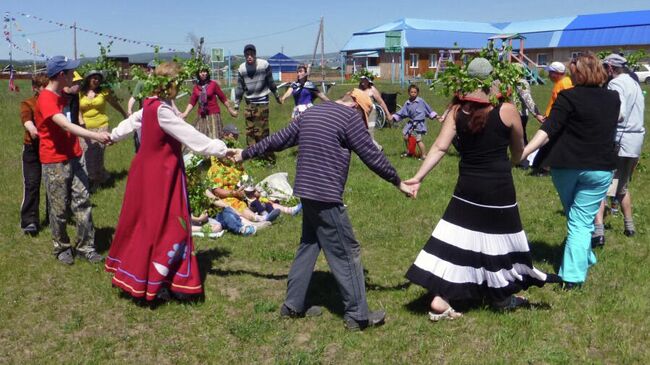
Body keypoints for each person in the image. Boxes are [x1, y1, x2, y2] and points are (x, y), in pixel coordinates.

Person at [233, 88, 413, 330]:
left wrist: (245, 152)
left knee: (309, 245)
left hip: (306, 192)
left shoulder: (312, 113)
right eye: (364, 117)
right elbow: (372, 155)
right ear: (357, 107)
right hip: (325, 195)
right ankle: (358, 315)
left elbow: (278, 139)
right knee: (347, 251)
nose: (362, 123)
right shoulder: (350, 119)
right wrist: (398, 182)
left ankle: (292, 305)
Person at [404, 57, 554, 321]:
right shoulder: (507, 110)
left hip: (467, 188)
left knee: (460, 240)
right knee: (501, 241)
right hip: (499, 189)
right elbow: (517, 155)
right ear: (494, 80)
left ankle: (442, 297)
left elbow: (439, 147)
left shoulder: (456, 111)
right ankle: (502, 296)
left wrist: (418, 177)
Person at [105, 61, 231, 301]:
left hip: (144, 173)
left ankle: (144, 274)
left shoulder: (150, 105)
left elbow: (130, 123)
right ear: (170, 85)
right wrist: (222, 149)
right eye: (177, 82)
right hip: (161, 176)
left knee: (146, 223)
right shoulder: (162, 110)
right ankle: (166, 281)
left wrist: (113, 136)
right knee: (170, 225)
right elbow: (193, 138)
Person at [521, 53, 620, 289]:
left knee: (577, 220)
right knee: (580, 220)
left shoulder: (568, 97)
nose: (570, 75)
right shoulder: (613, 98)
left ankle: (573, 278)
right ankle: (585, 256)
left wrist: (523, 152)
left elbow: (549, 129)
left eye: (573, 72)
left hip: (567, 167)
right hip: (601, 168)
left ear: (581, 73)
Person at [35, 55, 111, 265]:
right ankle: (62, 247)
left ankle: (86, 246)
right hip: (54, 160)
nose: (74, 75)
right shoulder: (46, 98)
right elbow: (66, 125)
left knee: (83, 201)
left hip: (75, 156)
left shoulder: (63, 95)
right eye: (70, 72)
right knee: (59, 207)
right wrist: (96, 136)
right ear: (61, 75)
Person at [592, 53, 646, 246]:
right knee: (621, 185)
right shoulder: (634, 83)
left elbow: (619, 113)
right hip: (636, 139)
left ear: (610, 68)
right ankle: (629, 226)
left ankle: (598, 231)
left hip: (619, 139)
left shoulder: (616, 84)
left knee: (600, 185)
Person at [78, 70, 128, 187]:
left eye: (98, 79)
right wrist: (80, 121)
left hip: (101, 125)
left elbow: (114, 103)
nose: (96, 81)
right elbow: (77, 108)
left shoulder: (104, 92)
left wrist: (124, 113)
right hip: (85, 127)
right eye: (94, 78)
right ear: (88, 79)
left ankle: (96, 181)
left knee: (98, 154)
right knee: (86, 153)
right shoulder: (80, 93)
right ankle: (96, 176)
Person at [234, 44, 281, 164]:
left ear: (255, 54)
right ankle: (253, 160)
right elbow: (240, 87)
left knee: (262, 133)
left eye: (252, 54)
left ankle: (269, 159)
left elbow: (271, 82)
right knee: (250, 133)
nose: (249, 57)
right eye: (247, 55)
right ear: (244, 55)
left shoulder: (264, 65)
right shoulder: (241, 68)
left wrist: (277, 96)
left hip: (262, 103)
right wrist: (236, 105)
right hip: (249, 104)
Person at [530, 61, 573, 176]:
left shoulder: (564, 84)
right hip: (552, 117)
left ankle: (543, 168)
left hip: (556, 119)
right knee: (548, 144)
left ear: (558, 73)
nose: (549, 75)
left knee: (547, 144)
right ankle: (541, 167)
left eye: (551, 73)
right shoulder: (562, 81)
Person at [19, 73, 50, 235]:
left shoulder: (54, 102)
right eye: (44, 87)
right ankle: (30, 221)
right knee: (32, 184)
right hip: (32, 149)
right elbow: (26, 119)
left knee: (53, 185)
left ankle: (54, 217)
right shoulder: (28, 103)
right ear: (35, 88)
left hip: (51, 148)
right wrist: (32, 129)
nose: (47, 90)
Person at [180, 66, 237, 138]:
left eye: (205, 71)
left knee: (214, 137)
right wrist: (186, 113)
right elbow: (192, 102)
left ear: (207, 73)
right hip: (202, 115)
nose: (203, 74)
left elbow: (222, 97)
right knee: (200, 137)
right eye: (201, 72)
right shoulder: (196, 87)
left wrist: (230, 109)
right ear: (198, 74)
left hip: (213, 115)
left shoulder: (213, 84)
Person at [392, 84, 438, 160]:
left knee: (418, 140)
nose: (413, 93)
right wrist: (394, 117)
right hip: (410, 124)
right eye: (411, 92)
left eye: (415, 92)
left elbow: (428, 109)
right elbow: (402, 112)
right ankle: (410, 151)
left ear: (417, 93)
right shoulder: (407, 103)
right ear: (408, 92)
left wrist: (434, 116)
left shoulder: (421, 101)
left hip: (418, 125)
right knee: (406, 137)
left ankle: (424, 155)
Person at [512, 64, 544, 169]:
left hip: (519, 115)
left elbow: (527, 99)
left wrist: (537, 114)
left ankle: (524, 162)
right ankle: (519, 160)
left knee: (520, 139)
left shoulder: (521, 83)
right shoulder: (511, 82)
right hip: (514, 114)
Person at [127, 60, 156, 151]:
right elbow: (134, 97)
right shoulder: (142, 82)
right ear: (149, 69)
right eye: (153, 68)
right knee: (141, 140)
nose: (155, 70)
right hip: (144, 114)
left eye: (157, 68)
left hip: (157, 114)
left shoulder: (161, 83)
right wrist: (129, 109)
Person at [358, 75, 392, 150]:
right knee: (361, 132)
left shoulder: (372, 89)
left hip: (371, 113)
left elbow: (381, 102)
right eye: (361, 80)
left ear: (368, 81)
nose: (362, 81)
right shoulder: (359, 89)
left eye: (364, 80)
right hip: (361, 113)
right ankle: (377, 148)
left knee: (369, 133)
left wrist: (388, 114)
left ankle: (375, 149)